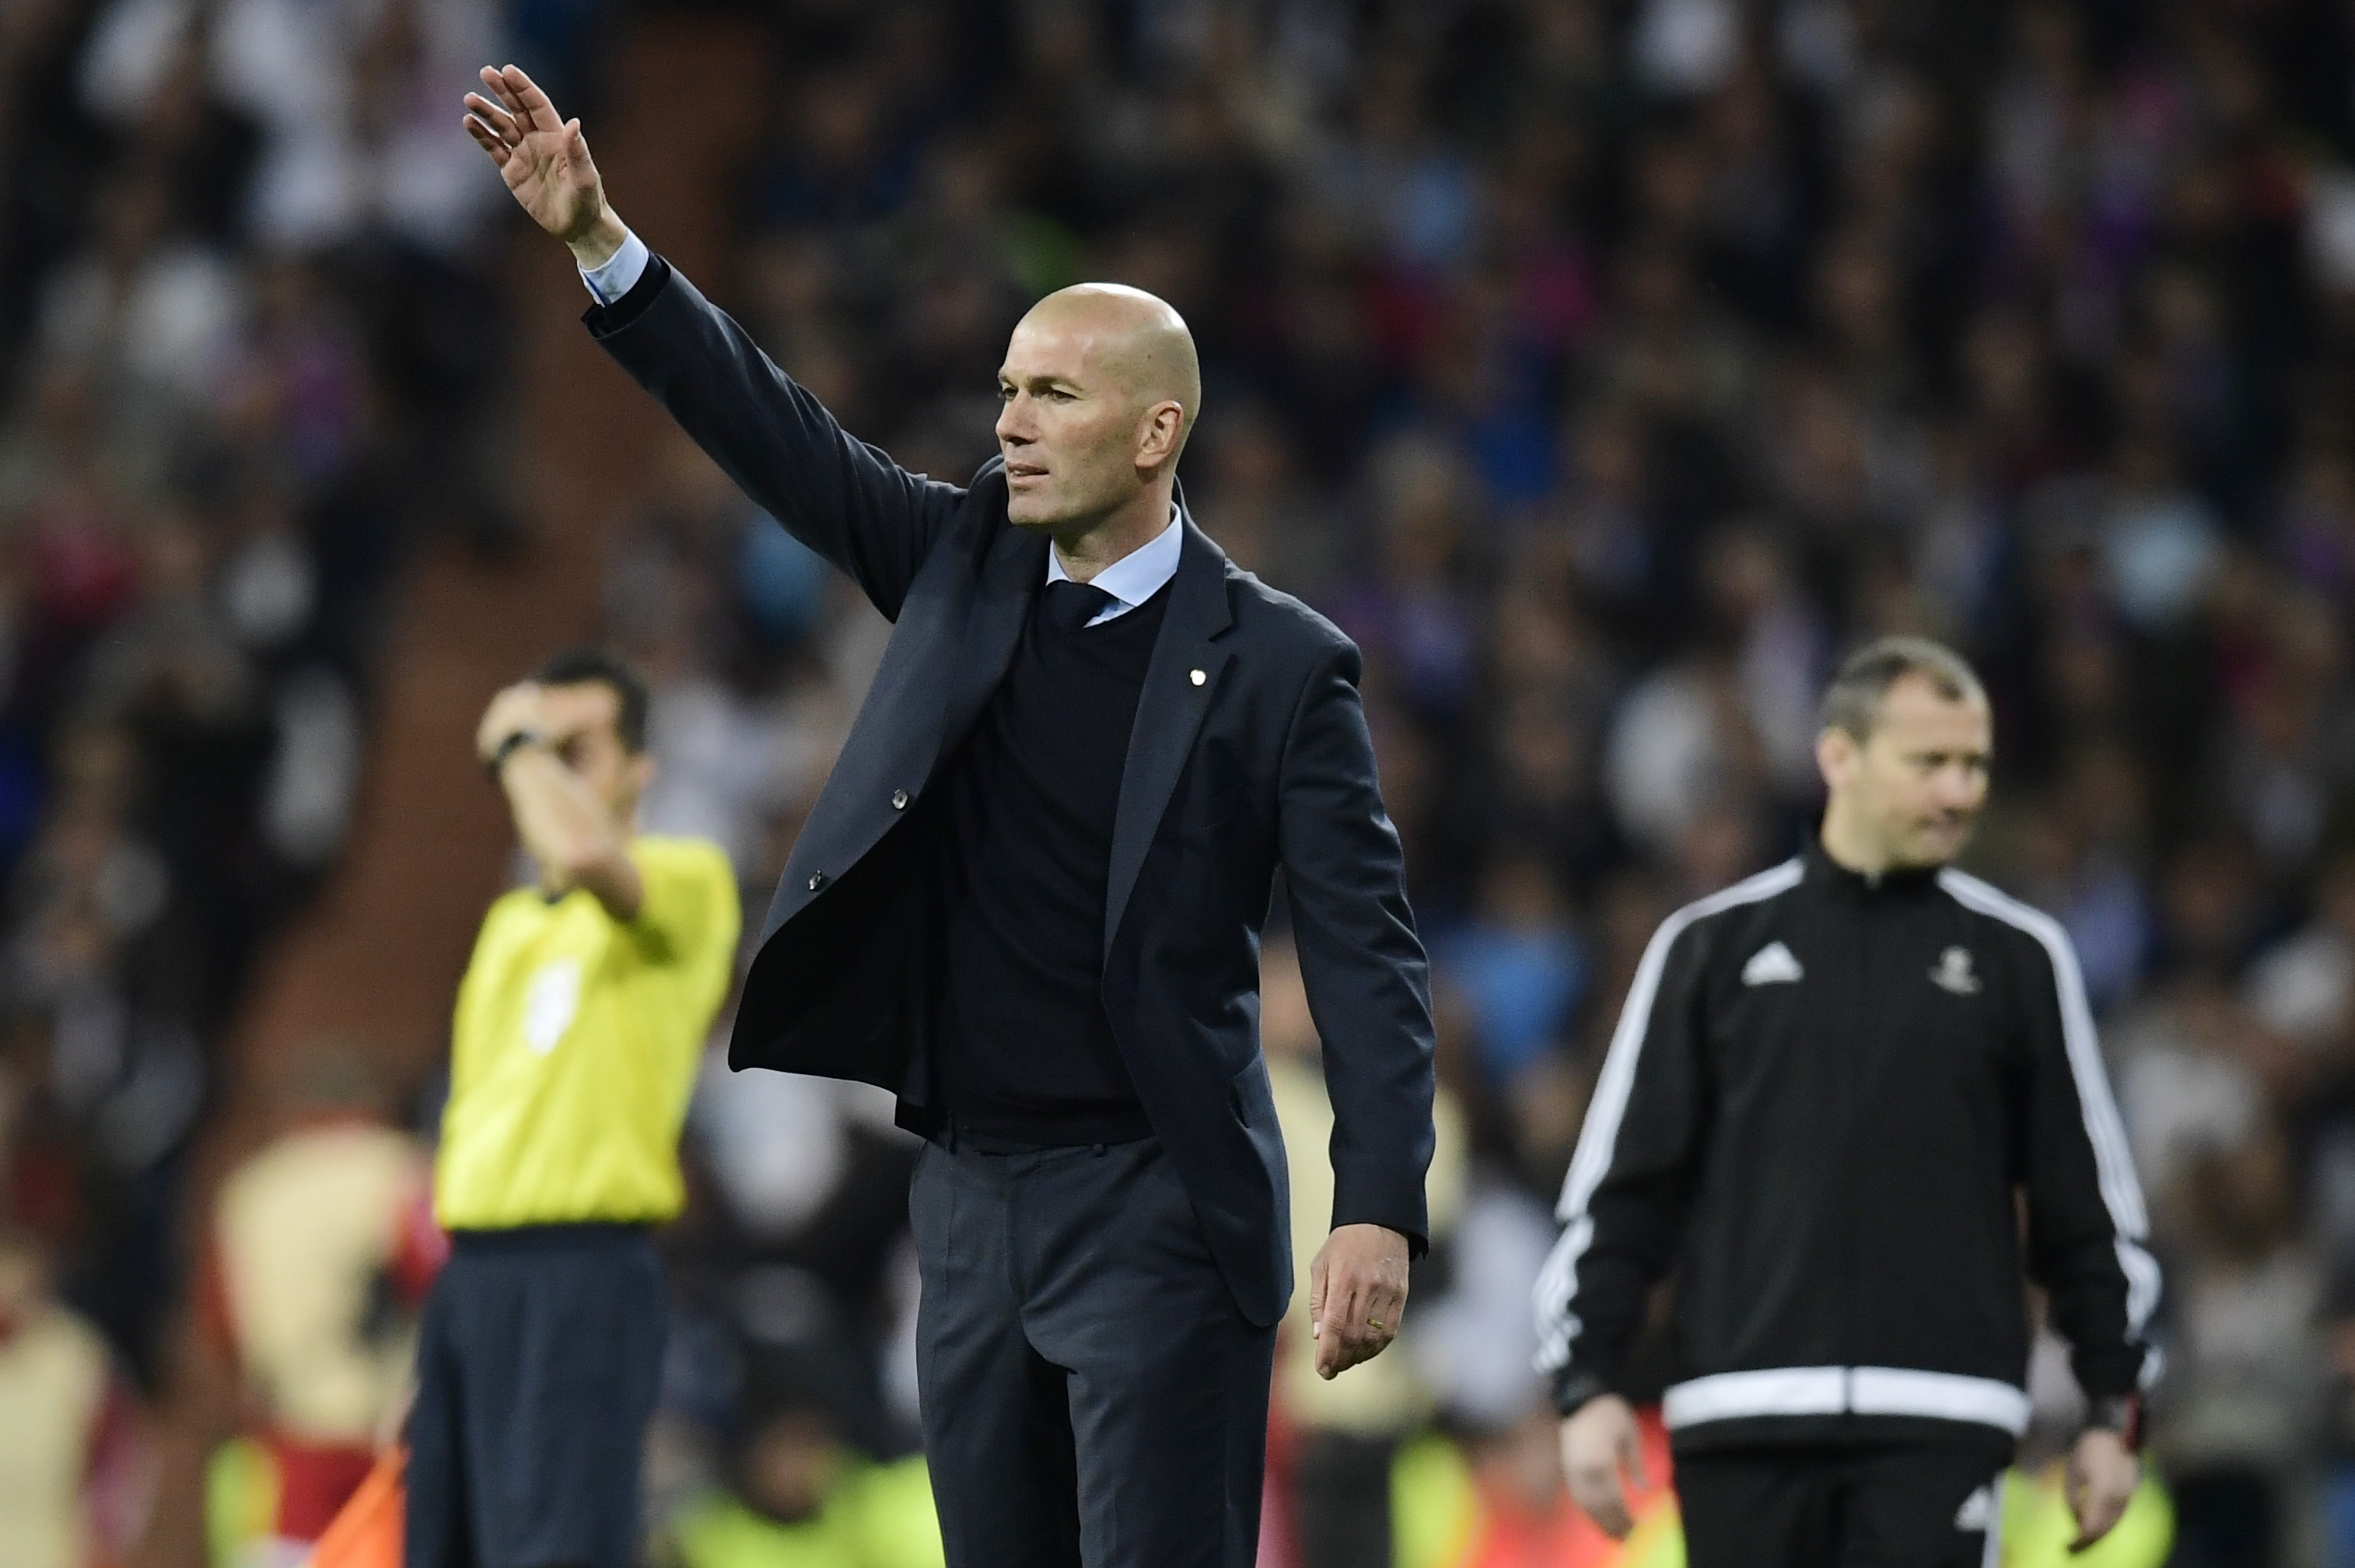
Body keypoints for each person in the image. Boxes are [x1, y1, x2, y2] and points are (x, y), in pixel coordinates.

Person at [462, 64, 1437, 1568]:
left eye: (1054, 395)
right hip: (969, 1201)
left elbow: (1365, 953)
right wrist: (601, 243)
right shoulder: (960, 561)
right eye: (1006, 390)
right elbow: (776, 432)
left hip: (1158, 1199)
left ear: (1154, 432)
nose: (1011, 423)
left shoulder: (1276, 665)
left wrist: (1374, 1203)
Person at [1539, 636, 2157, 1566]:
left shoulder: (2020, 960)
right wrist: (1587, 1385)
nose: (1960, 792)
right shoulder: (1707, 949)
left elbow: (2084, 1205)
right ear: (1839, 756)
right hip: (1739, 1421)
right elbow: (1623, 1193)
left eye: (1974, 765)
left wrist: (2113, 1405)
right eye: (1929, 762)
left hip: (1941, 1425)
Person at [405, 648, 740, 1568]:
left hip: (583, 1270)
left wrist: (516, 745)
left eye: (576, 751)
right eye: (540, 752)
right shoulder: (509, 924)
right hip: (471, 1277)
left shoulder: (686, 880)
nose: (547, 770)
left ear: (641, 769)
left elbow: (586, 851)